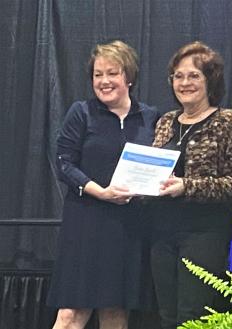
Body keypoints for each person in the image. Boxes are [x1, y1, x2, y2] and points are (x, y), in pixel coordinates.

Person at [47, 40, 159, 329]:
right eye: (98, 74)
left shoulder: (151, 117)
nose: (104, 81)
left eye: (112, 73)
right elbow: (64, 163)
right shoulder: (81, 112)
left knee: (115, 313)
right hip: (85, 223)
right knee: (71, 314)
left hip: (128, 227)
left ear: (129, 77)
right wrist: (101, 192)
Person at [148, 41, 232, 329]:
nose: (185, 83)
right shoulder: (165, 121)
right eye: (178, 76)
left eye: (194, 76)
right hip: (162, 231)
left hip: (206, 232)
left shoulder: (228, 122)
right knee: (166, 316)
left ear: (210, 80)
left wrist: (186, 187)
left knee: (194, 317)